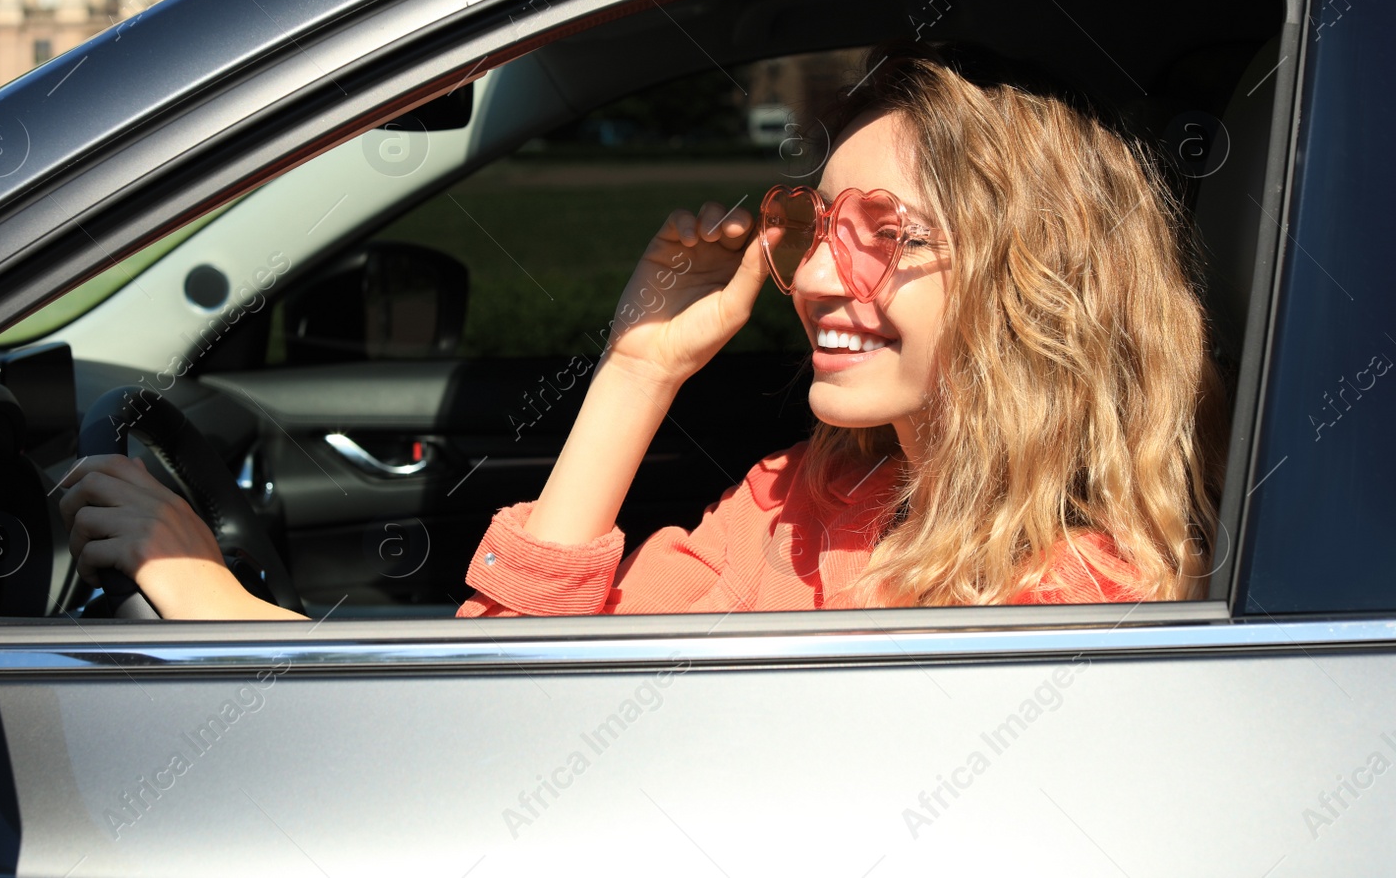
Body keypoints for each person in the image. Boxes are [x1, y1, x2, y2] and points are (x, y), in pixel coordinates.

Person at [59, 40, 1228, 619]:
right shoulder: (803, 491)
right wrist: (638, 366)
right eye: (816, 222)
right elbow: (525, 693)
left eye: (887, 232)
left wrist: (223, 607)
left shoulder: (1069, 606)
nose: (819, 271)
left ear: (1039, 286)